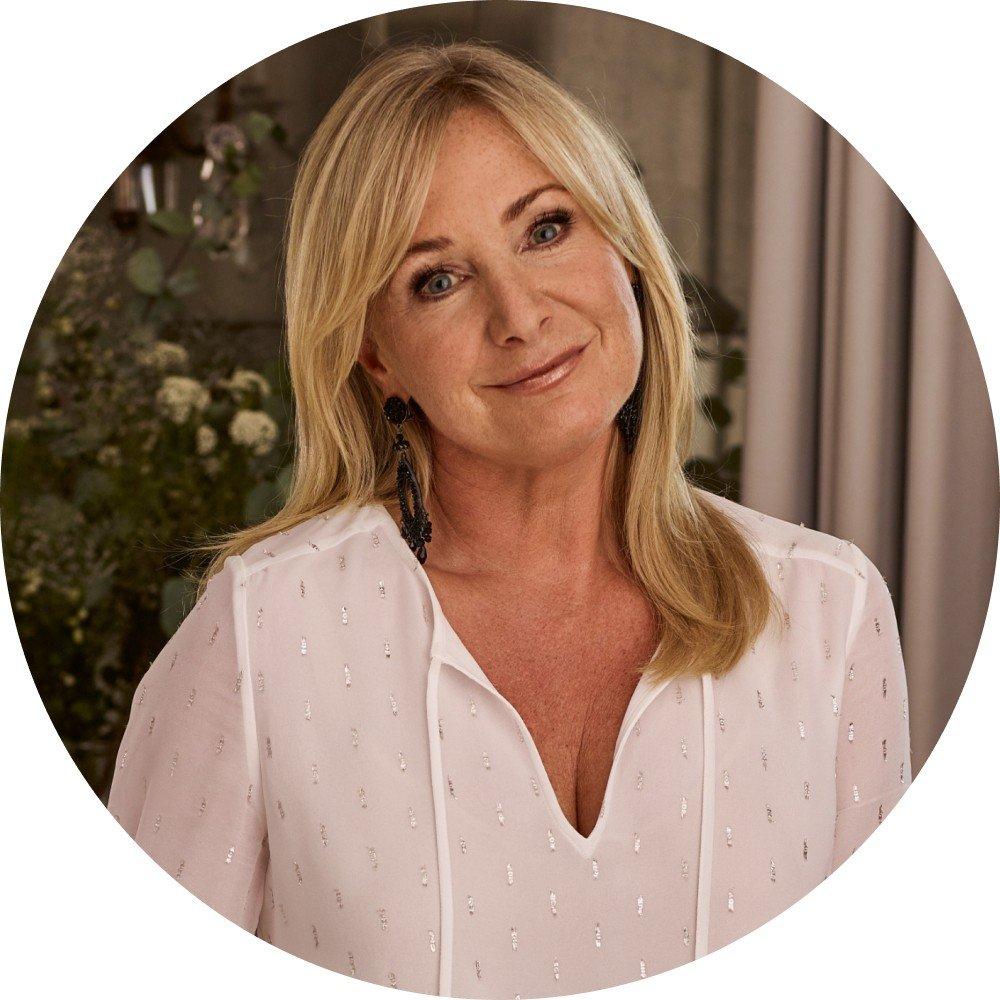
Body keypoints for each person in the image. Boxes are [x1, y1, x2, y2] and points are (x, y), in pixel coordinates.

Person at [107, 40, 912, 998]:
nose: (520, 315)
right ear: (377, 359)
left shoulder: (827, 611)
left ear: (622, 248)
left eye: (545, 229)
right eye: (437, 280)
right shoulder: (263, 632)